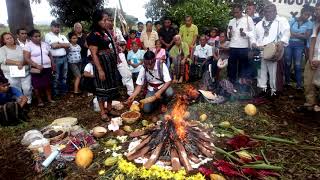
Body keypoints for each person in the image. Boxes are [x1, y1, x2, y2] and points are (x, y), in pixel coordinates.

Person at [87, 9, 120, 120]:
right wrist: (100, 70)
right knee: (102, 88)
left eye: (107, 20)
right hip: (101, 65)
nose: (107, 22)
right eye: (104, 20)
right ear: (97, 21)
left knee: (111, 86)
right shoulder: (92, 35)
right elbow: (94, 54)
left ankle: (109, 108)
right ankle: (102, 112)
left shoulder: (105, 33)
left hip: (110, 64)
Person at [251, 3, 290, 96]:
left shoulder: (281, 21)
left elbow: (286, 33)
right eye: (266, 12)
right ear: (264, 12)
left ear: (275, 12)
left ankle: (274, 91)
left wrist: (281, 42)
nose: (268, 14)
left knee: (273, 73)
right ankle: (262, 89)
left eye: (271, 12)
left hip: (274, 50)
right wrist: (253, 43)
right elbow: (253, 35)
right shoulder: (260, 24)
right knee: (261, 71)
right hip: (261, 50)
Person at [284, 6, 313, 90]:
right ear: (301, 13)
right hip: (289, 44)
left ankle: (299, 84)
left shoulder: (309, 23)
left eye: (309, 15)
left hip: (299, 45)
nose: (307, 17)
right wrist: (300, 35)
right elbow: (287, 32)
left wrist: (294, 34)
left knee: (297, 64)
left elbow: (306, 36)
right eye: (306, 14)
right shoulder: (292, 20)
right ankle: (287, 82)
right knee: (288, 63)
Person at [24, 29, 54, 107]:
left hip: (47, 67)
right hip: (36, 69)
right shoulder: (28, 45)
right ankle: (39, 100)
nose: (38, 38)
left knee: (48, 84)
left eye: (39, 36)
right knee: (37, 85)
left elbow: (50, 55)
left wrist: (53, 64)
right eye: (35, 36)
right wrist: (36, 65)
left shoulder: (44, 44)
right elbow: (26, 58)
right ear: (30, 37)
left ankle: (49, 99)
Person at [0, 32, 32, 104]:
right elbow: (3, 60)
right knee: (16, 89)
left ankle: (29, 101)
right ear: (4, 41)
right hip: (10, 73)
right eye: (7, 39)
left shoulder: (20, 47)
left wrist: (22, 63)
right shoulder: (2, 49)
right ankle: (19, 104)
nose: (10, 39)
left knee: (27, 88)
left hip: (24, 71)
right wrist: (17, 63)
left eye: (11, 38)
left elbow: (26, 57)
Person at [227, 4, 255, 83]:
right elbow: (228, 35)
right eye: (234, 12)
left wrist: (245, 34)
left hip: (243, 47)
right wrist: (229, 34)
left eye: (237, 12)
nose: (235, 14)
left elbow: (253, 33)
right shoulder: (231, 21)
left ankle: (241, 83)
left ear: (241, 11)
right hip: (233, 46)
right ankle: (231, 82)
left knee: (243, 66)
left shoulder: (248, 19)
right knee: (232, 65)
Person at [45, 20, 70, 96]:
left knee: (64, 76)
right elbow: (53, 46)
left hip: (64, 57)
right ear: (51, 27)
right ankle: (55, 93)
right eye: (55, 26)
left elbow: (69, 45)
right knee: (56, 76)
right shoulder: (48, 35)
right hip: (55, 59)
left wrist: (58, 44)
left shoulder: (62, 36)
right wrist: (63, 44)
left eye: (58, 27)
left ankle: (63, 91)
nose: (57, 28)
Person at [303, 2, 320, 111]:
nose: (317, 12)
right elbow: (313, 41)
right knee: (308, 81)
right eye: (317, 10)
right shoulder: (316, 24)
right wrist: (310, 58)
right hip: (313, 57)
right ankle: (310, 103)